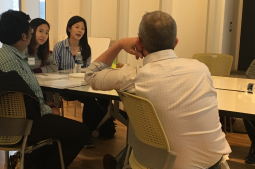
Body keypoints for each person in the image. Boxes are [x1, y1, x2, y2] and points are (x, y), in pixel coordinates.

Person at [85, 11, 231, 169]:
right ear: (175, 42)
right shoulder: (201, 68)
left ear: (139, 43)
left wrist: (119, 44)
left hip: (165, 164)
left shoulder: (132, 77)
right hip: (216, 162)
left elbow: (91, 75)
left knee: (138, 141)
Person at [0, 10, 89, 168]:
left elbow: (22, 99)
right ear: (24, 36)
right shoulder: (13, 63)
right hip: (21, 125)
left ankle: (29, 163)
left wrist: (43, 106)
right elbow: (24, 103)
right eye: (31, 31)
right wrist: (48, 111)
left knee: (59, 131)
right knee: (81, 132)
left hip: (7, 122)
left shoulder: (5, 56)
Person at [52, 16, 116, 142]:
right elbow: (54, 70)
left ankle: (96, 128)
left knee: (102, 98)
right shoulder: (59, 46)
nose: (80, 30)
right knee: (90, 100)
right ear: (69, 28)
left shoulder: (86, 47)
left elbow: (87, 70)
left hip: (81, 84)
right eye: (77, 27)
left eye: (83, 28)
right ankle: (87, 134)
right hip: (64, 86)